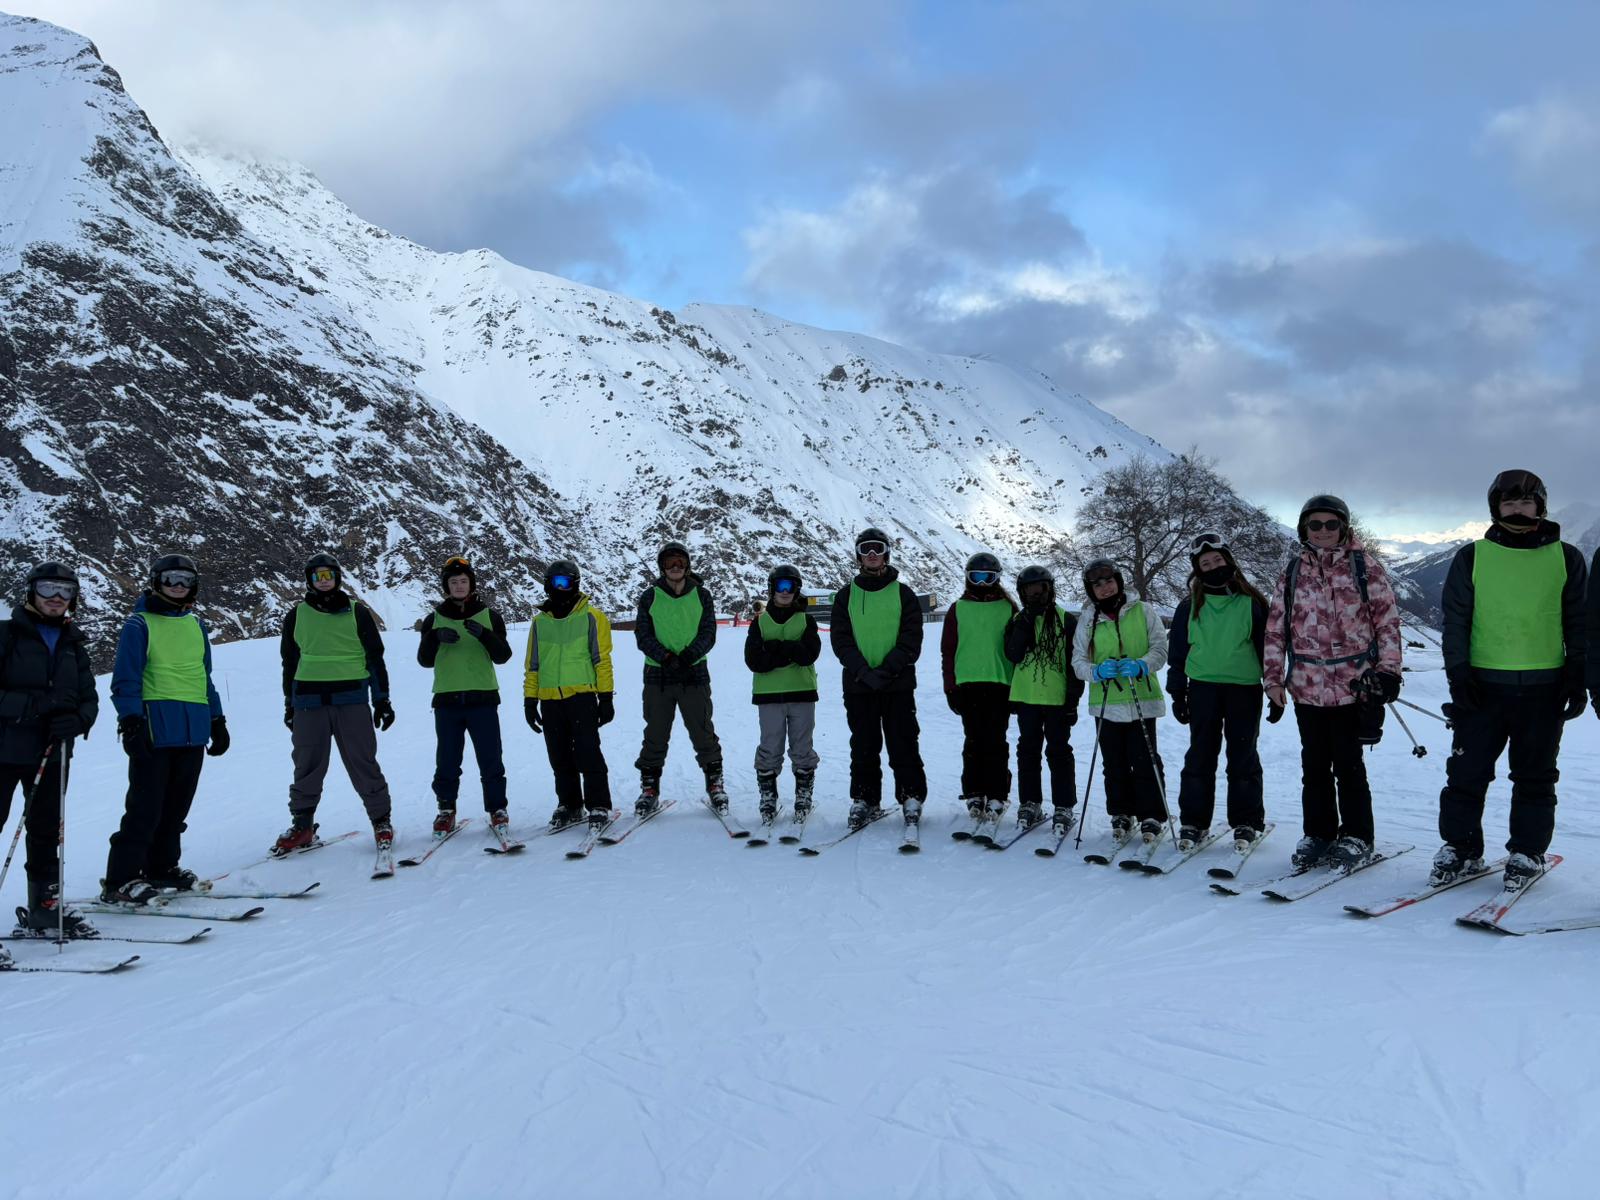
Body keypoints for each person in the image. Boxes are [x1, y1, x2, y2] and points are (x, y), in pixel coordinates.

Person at [1434, 470, 1588, 888]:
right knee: (1466, 774)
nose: (1517, 509)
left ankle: (1527, 851)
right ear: (1495, 508)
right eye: (1508, 502)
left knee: (1535, 776)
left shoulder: (1567, 557)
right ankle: (1461, 847)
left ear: (1540, 506)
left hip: (1544, 687)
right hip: (1482, 686)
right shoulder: (1473, 556)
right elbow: (1456, 621)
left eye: (1525, 501)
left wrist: (1577, 676)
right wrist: (1458, 675)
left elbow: (1578, 622)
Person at [1264, 495, 1403, 869]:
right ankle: (1319, 833)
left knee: (1348, 765)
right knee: (1314, 767)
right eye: (1315, 524)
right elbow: (1275, 629)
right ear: (1304, 529)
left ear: (1343, 528)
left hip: (1352, 686)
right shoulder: (1293, 572)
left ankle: (1357, 835)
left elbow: (1387, 623)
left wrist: (1389, 671)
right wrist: (1273, 679)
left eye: (1331, 524)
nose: (1323, 531)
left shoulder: (1364, 568)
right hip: (1306, 686)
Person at [104, 554, 228, 903]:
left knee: (176, 807)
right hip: (154, 727)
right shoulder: (139, 624)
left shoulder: (196, 625)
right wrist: (130, 721)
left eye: (185, 579)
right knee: (145, 807)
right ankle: (120, 880)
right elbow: (126, 678)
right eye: (171, 578)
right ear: (157, 581)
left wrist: (217, 720)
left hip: (193, 728)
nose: (178, 586)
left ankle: (161, 867)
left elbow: (203, 676)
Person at [274, 553, 396, 856]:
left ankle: (381, 820)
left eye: (329, 575)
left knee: (363, 762)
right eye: (318, 576)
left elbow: (375, 659)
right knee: (307, 765)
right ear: (310, 580)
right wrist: (290, 703)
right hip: (308, 703)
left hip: (351, 700)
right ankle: (302, 825)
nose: (324, 581)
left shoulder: (357, 613)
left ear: (338, 578)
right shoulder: (296, 615)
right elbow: (290, 663)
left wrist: (382, 699)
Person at [0, 563, 98, 939]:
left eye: (65, 590)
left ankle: (45, 906)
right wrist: (36, 706)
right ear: (31, 592)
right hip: (5, 749)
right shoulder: (7, 635)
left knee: (45, 831)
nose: (56, 597)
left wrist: (78, 720)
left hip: (52, 751)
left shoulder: (73, 642)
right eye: (47, 589)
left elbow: (88, 697)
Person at [1166, 533, 1272, 852]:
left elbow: (1268, 650)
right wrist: (1177, 691)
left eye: (1217, 560)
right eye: (1205, 563)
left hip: (1244, 689)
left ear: (1229, 561)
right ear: (1198, 570)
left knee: (1242, 756)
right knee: (1200, 755)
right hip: (1202, 688)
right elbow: (1178, 653)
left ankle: (1246, 821)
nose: (1213, 567)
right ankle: (1194, 821)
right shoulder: (1189, 606)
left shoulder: (1252, 603)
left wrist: (1274, 687)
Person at [830, 527, 928, 830]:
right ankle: (865, 798)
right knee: (863, 745)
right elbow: (841, 640)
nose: (872, 554)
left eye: (877, 548)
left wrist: (886, 672)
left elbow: (911, 639)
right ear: (858, 556)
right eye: (865, 549)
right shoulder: (846, 595)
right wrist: (863, 671)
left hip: (897, 684)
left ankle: (911, 796)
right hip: (859, 685)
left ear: (886, 553)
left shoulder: (903, 594)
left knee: (903, 742)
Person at [1070, 559, 1169, 843]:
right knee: (1114, 763)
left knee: (1145, 759)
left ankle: (1151, 815)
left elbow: (1160, 649)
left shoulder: (1143, 610)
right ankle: (1121, 812)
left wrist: (1142, 665)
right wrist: (1096, 671)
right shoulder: (1087, 619)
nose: (1105, 588)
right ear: (1091, 590)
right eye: (1097, 585)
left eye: (1109, 581)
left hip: (1142, 698)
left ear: (1119, 581)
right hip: (1106, 702)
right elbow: (1078, 661)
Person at [418, 555, 514, 837]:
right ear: (446, 587)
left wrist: (484, 634)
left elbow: (503, 656)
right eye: (453, 582)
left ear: (471, 584)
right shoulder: (433, 620)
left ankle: (497, 809)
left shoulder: (489, 616)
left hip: (482, 699)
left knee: (490, 758)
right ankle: (446, 809)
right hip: (447, 701)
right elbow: (424, 661)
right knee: (447, 760)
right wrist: (434, 637)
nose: (459, 586)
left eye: (463, 581)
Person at [633, 541, 726, 817]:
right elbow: (643, 635)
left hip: (694, 674)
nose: (675, 567)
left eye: (680, 562)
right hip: (658, 677)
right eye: (670, 562)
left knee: (702, 730)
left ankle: (715, 784)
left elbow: (708, 632)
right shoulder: (650, 597)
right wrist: (666, 658)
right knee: (655, 733)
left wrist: (686, 657)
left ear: (688, 566)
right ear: (662, 567)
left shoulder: (702, 596)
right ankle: (649, 789)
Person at [523, 560, 616, 831]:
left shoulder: (592, 617)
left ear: (575, 584)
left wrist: (606, 697)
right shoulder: (539, 623)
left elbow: (602, 660)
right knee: (559, 756)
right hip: (550, 699)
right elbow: (533, 665)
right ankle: (570, 804)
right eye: (555, 582)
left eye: (565, 582)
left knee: (588, 752)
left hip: (582, 697)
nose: (560, 588)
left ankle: (598, 804)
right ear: (547, 585)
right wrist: (530, 700)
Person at [1003, 565, 1082, 832]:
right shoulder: (1018, 620)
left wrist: (1072, 701)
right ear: (1022, 593)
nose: (1036, 595)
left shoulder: (1065, 620)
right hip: (1026, 698)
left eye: (1040, 589)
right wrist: (1026, 623)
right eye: (1030, 591)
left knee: (1059, 752)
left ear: (1050, 589)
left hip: (1057, 700)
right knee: (1028, 751)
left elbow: (1074, 665)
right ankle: (1030, 802)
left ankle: (1064, 805)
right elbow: (1012, 654)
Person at [940, 552, 1018, 823]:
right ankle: (974, 792)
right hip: (967, 685)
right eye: (977, 576)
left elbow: (1018, 651)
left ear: (997, 578)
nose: (983, 582)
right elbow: (948, 651)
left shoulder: (1008, 608)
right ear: (968, 578)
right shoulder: (958, 609)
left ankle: (997, 793)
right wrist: (950, 686)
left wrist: (1017, 688)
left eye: (988, 577)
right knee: (973, 740)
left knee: (996, 741)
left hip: (1000, 684)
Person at [744, 565, 822, 822]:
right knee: (770, 747)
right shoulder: (760, 622)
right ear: (772, 589)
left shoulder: (806, 621)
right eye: (781, 586)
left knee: (802, 747)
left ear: (797, 589)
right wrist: (790, 651)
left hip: (802, 692)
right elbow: (754, 661)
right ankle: (768, 796)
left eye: (791, 586)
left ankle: (803, 794)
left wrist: (775, 648)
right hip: (769, 696)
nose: (785, 591)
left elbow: (809, 654)